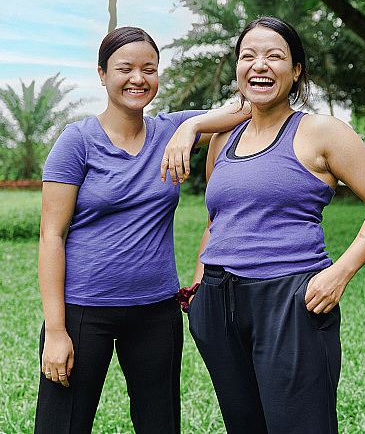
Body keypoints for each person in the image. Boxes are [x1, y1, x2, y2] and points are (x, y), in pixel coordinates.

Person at [185, 17, 365, 434]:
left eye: (275, 56)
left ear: (296, 69)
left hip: (290, 301)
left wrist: (340, 272)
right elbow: (218, 220)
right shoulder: (222, 138)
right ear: (237, 68)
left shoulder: (322, 132)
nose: (259, 65)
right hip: (217, 302)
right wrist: (197, 294)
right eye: (247, 56)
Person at [34, 26, 249, 434]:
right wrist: (56, 331)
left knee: (160, 425)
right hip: (83, 312)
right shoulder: (76, 142)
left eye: (149, 69)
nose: (138, 78)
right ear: (102, 74)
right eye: (125, 68)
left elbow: (247, 106)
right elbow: (51, 236)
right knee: (60, 426)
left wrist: (189, 129)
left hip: (156, 311)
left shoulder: (172, 130)